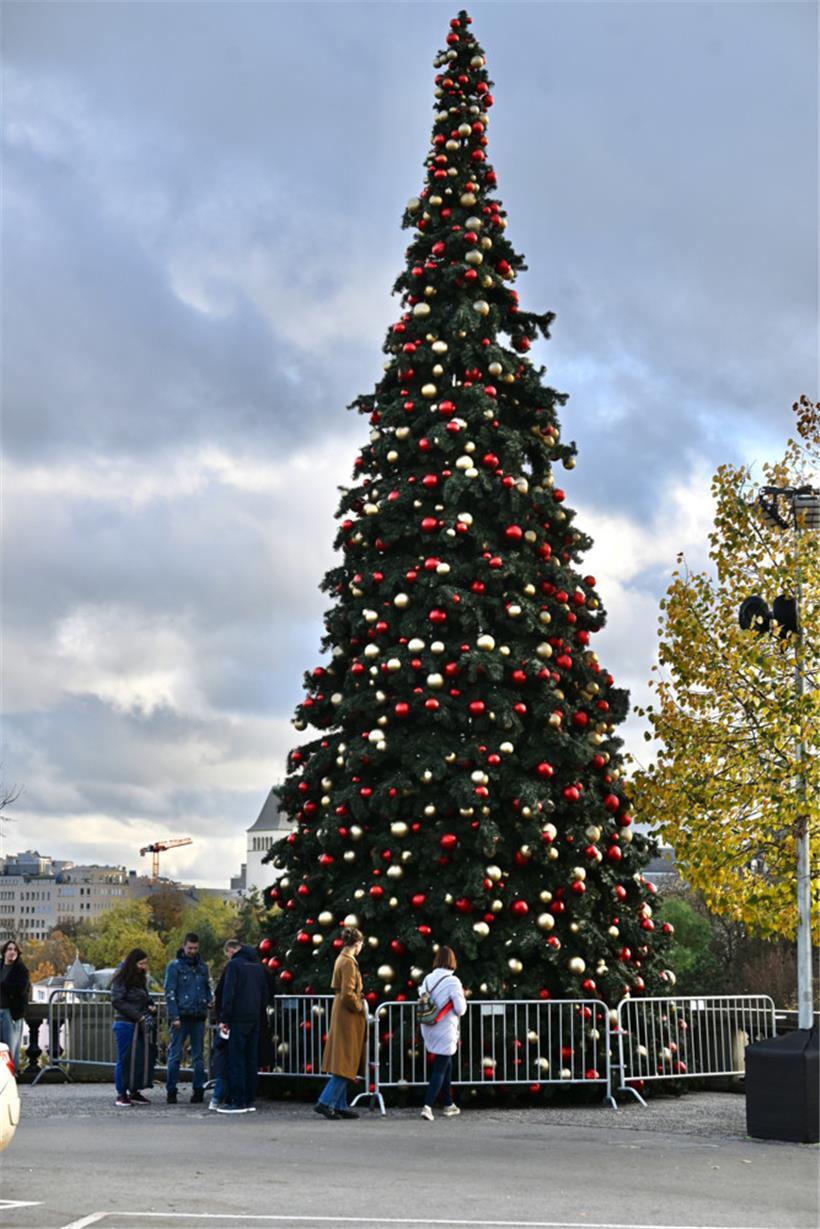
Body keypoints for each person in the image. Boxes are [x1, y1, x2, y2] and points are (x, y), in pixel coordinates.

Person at [314, 926, 368, 1121]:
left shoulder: (342, 959)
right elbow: (348, 993)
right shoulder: (348, 963)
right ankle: (326, 1102)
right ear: (358, 943)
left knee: (344, 1060)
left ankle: (340, 1105)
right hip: (348, 1015)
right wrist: (359, 1006)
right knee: (346, 1062)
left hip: (342, 1013)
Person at [217, 942, 270, 1114]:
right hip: (255, 1017)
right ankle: (249, 1099)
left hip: (238, 1017)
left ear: (232, 951)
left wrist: (224, 1017)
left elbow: (228, 992)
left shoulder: (234, 965)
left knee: (236, 1059)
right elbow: (265, 993)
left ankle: (237, 1101)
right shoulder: (258, 967)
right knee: (250, 1059)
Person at [419, 946, 467, 1121]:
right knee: (440, 1069)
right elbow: (460, 1009)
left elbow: (422, 996)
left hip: (428, 1025)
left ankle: (448, 1104)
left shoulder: (427, 979)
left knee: (446, 1064)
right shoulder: (453, 982)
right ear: (452, 961)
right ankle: (427, 1106)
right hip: (445, 1028)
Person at [164, 931, 212, 1104]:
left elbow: (207, 987)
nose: (192, 951)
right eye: (190, 948)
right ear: (184, 946)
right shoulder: (175, 966)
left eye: (195, 948)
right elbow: (170, 993)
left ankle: (198, 1090)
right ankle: (171, 1090)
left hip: (198, 1015)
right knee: (175, 1055)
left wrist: (209, 999)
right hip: (181, 1016)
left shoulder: (202, 967)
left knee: (198, 1057)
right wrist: (174, 1016)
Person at [111, 948, 158, 1107]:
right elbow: (117, 1000)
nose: (144, 966)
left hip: (137, 1022)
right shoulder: (122, 978)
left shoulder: (138, 978)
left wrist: (151, 1006)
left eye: (145, 963)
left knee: (137, 1059)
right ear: (133, 963)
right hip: (126, 1023)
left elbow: (145, 998)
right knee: (124, 1059)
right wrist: (138, 1015)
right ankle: (121, 1093)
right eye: (141, 963)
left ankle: (134, 1091)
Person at [208, 939, 241, 1110]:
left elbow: (225, 995)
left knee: (222, 1059)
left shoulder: (232, 968)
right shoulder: (249, 966)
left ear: (230, 951)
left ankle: (218, 1097)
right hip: (240, 1019)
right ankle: (226, 1095)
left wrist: (223, 1018)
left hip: (228, 1020)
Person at [0, 940, 30, 1069]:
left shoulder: (21, 970)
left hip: (11, 1014)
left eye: (15, 950)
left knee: (10, 1048)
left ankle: (13, 1077)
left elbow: (20, 990)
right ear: (4, 952)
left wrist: (2, 985)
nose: (12, 952)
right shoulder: (0, 967)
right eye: (10, 949)